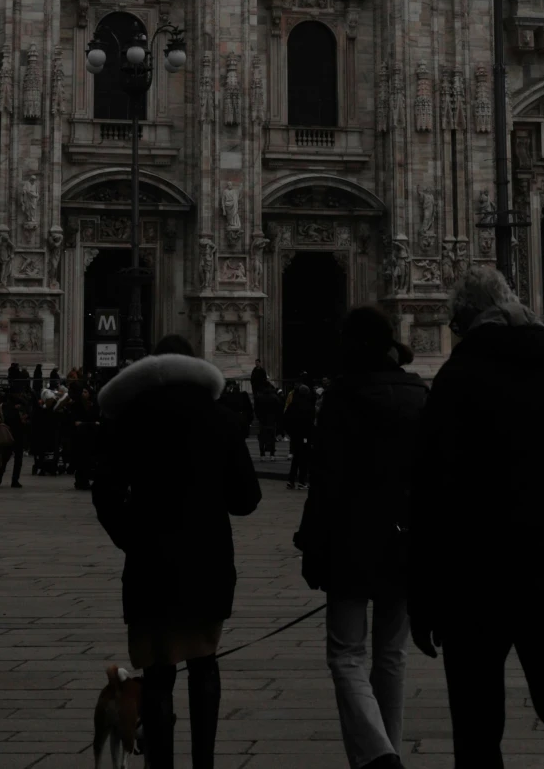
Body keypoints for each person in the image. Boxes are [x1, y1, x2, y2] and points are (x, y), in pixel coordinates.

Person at [409, 271, 544, 769]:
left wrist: (423, 599)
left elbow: (429, 500)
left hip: (473, 588)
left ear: (463, 321)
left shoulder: (455, 384)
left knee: (477, 728)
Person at [93, 335, 261, 769]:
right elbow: (247, 499)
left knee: (158, 671)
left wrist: (132, 536)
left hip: (149, 563)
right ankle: (203, 763)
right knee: (204, 663)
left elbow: (104, 493)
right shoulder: (221, 419)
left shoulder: (129, 419)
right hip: (207, 563)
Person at [295, 309, 427, 769]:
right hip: (407, 542)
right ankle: (386, 750)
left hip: (351, 542)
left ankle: (378, 756)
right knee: (392, 654)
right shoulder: (419, 392)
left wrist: (312, 544)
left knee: (346, 654)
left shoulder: (343, 396)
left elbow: (326, 479)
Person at [284, 373, 317, 490]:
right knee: (304, 459)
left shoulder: (293, 404)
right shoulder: (309, 406)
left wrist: (290, 432)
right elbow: (310, 422)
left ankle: (291, 480)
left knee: (296, 458)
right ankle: (302, 481)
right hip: (305, 436)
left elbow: (286, 418)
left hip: (295, 435)